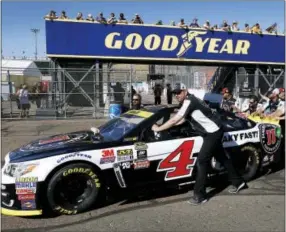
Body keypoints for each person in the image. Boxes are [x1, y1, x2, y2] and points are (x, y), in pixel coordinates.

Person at [151, 85, 246, 205]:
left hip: (213, 132)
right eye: (175, 93)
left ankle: (200, 195)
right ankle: (238, 182)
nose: (176, 95)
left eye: (179, 92)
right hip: (213, 131)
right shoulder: (190, 100)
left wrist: (159, 129)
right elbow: (182, 120)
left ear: (185, 91)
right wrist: (168, 127)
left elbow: (175, 119)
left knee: (202, 161)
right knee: (222, 157)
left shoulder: (189, 101)